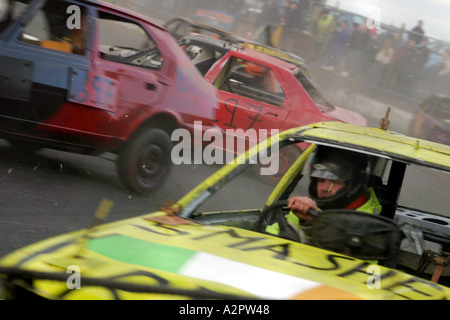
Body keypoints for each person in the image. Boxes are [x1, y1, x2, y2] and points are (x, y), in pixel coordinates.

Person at [265, 146, 382, 242]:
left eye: (335, 181)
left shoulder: (367, 224)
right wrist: (306, 221)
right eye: (321, 180)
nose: (325, 188)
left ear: (353, 184)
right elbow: (269, 237)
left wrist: (313, 224)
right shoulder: (311, 208)